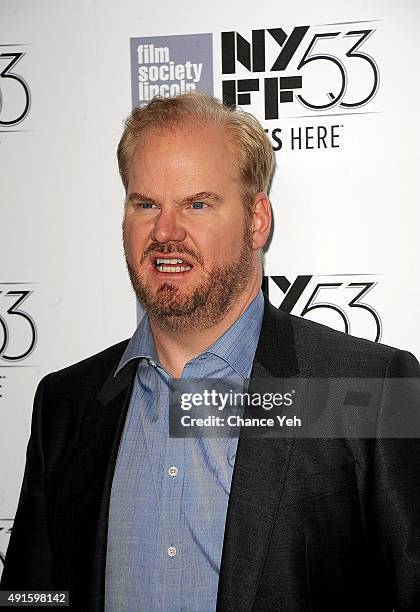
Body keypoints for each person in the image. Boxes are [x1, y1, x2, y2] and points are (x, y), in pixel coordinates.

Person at [1, 92, 420, 612]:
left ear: (257, 220)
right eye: (145, 203)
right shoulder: (66, 403)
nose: (165, 232)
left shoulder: (371, 390)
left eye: (197, 203)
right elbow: (33, 594)